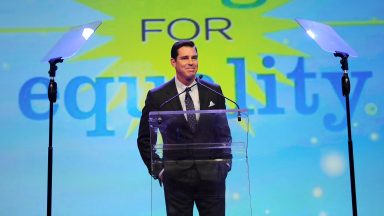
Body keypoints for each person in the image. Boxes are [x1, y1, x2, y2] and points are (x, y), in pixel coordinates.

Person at [137, 40, 232, 216]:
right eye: (185, 58)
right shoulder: (158, 96)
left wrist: (225, 163)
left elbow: (223, 133)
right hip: (176, 180)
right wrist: (159, 170)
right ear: (173, 62)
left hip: (212, 178)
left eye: (194, 58)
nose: (191, 62)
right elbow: (145, 139)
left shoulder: (214, 91)